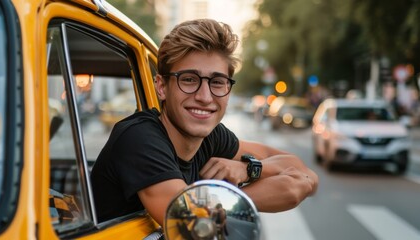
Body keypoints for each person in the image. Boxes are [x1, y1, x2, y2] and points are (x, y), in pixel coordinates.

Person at [91, 19, 318, 226]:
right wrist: (233, 198)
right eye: (189, 80)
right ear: (161, 87)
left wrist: (247, 169)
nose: (205, 97)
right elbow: (190, 221)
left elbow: (307, 176)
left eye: (217, 82)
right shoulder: (138, 137)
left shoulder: (213, 138)